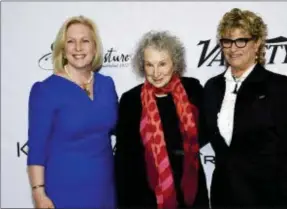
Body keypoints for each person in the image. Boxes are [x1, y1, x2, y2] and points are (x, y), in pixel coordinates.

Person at [203, 8, 287, 208]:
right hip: (224, 197)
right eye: (227, 41)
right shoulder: (212, 87)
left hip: (267, 199)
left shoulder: (279, 86)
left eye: (241, 40)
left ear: (257, 43)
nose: (233, 48)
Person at [27, 15, 118, 208]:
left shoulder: (106, 84)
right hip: (63, 191)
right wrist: (39, 193)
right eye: (71, 41)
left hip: (105, 190)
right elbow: (36, 148)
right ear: (63, 48)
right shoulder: (46, 90)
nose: (78, 48)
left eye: (85, 41)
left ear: (94, 47)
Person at [114, 31, 209, 209]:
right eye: (150, 65)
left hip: (190, 191)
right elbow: (123, 158)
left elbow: (204, 132)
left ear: (175, 63)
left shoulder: (192, 90)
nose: (156, 73)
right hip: (145, 195)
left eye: (162, 64)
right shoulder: (130, 100)